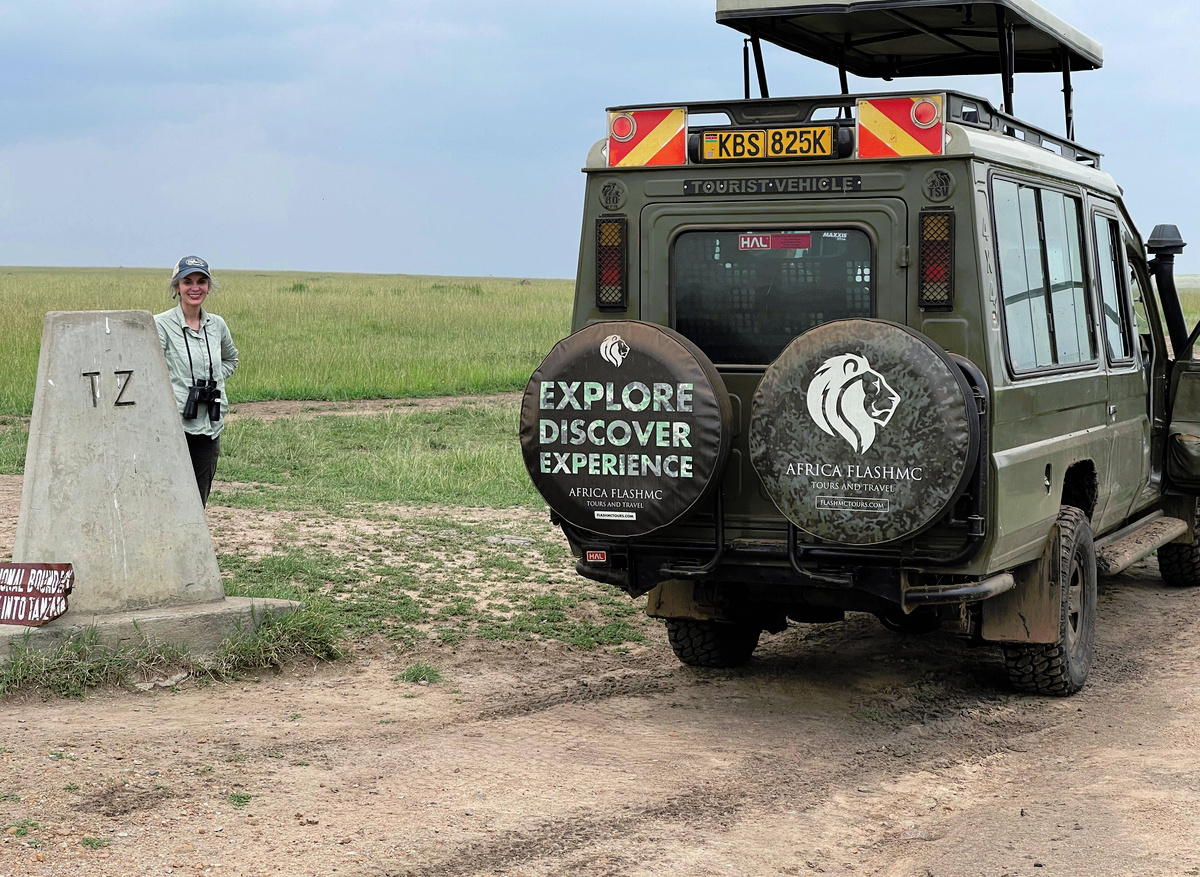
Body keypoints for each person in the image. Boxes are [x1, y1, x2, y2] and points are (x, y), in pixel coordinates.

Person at [154, 256, 239, 507]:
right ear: (176, 287)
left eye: (201, 281)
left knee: (198, 499)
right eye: (187, 281)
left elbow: (231, 359)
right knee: (170, 494)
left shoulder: (217, 324)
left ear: (209, 287)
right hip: (174, 424)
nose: (195, 287)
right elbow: (152, 371)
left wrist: (214, 381)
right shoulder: (161, 324)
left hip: (209, 424)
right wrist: (179, 390)